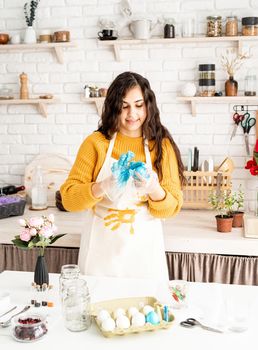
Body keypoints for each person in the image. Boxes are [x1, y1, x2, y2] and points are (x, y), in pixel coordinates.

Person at [60, 71, 184, 280]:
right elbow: (69, 199)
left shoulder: (161, 146)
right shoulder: (96, 143)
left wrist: (154, 189)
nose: (131, 114)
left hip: (144, 255)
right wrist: (102, 186)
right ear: (113, 107)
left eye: (138, 105)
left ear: (148, 105)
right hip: (101, 255)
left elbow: (172, 208)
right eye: (124, 106)